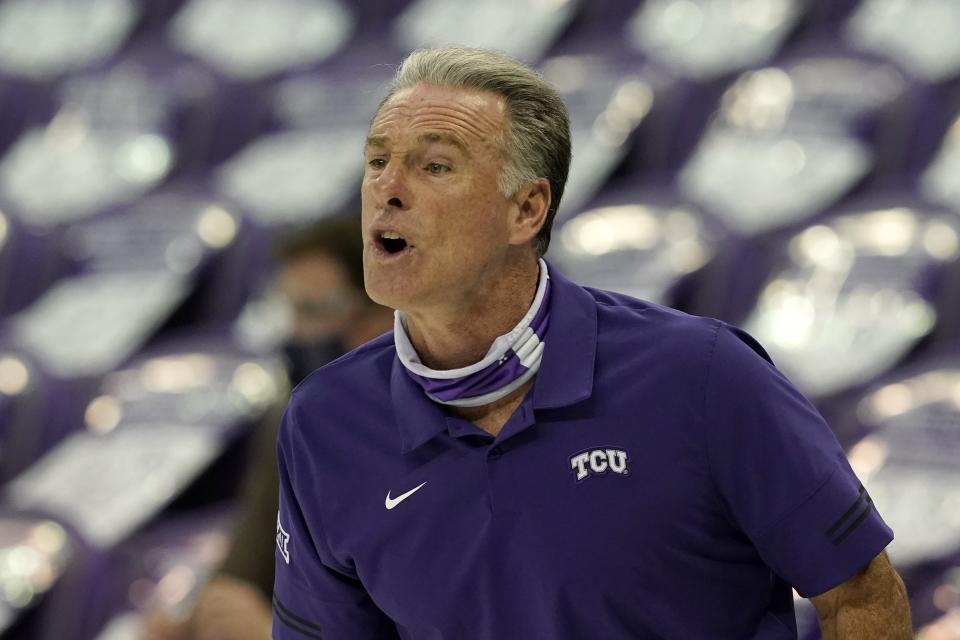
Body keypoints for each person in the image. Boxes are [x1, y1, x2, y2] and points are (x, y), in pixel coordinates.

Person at [272, 47, 912, 639]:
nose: (389, 187)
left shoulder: (701, 375)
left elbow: (861, 593)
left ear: (526, 210)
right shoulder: (325, 421)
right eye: (378, 160)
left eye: (435, 165)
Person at [144, 216, 393, 640]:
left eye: (316, 311)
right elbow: (248, 561)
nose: (297, 334)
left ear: (387, 311)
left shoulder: (451, 432)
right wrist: (193, 621)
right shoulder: (297, 421)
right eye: (291, 312)